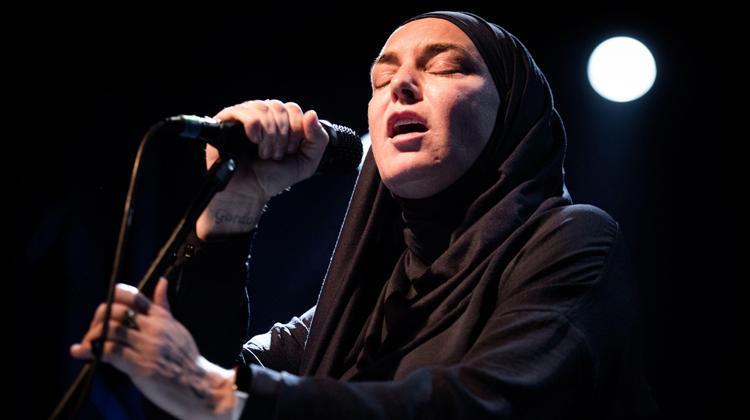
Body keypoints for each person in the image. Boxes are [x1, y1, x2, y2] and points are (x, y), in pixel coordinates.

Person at [71, 11, 657, 419]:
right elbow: (204, 387)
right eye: (381, 78)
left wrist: (220, 394)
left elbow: (488, 404)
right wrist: (233, 209)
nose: (401, 85)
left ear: (513, 116)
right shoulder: (363, 302)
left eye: (445, 67)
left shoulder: (572, 242)